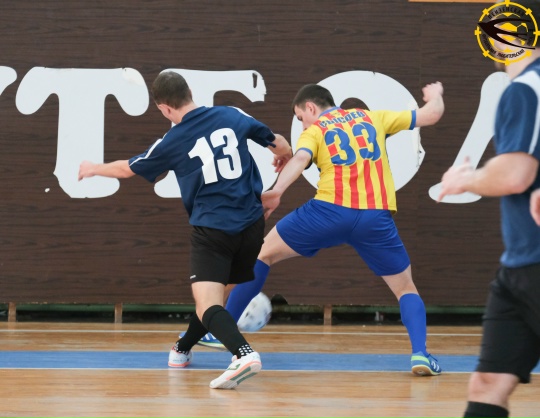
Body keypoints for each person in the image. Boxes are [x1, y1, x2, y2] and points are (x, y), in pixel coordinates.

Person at [199, 80, 445, 376]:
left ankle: (221, 331)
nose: (303, 125)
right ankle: (420, 354)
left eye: (301, 118)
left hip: (328, 211)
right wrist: (435, 95)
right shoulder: (372, 117)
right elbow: (431, 114)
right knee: (405, 288)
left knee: (262, 254)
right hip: (374, 218)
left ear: (311, 108)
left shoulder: (316, 131)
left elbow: (301, 159)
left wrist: (277, 191)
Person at [78, 71, 292, 389]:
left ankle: (243, 354)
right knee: (214, 299)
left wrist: (93, 168)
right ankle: (181, 349)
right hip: (251, 225)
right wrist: (284, 155)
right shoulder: (232, 114)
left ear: (164, 108)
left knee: (208, 303)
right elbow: (278, 142)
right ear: (190, 91)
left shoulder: (172, 140)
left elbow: (126, 169)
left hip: (213, 231)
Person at [438, 2, 540, 415]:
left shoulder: (527, 89)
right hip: (518, 269)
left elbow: (514, 174)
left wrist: (465, 179)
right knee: (487, 382)